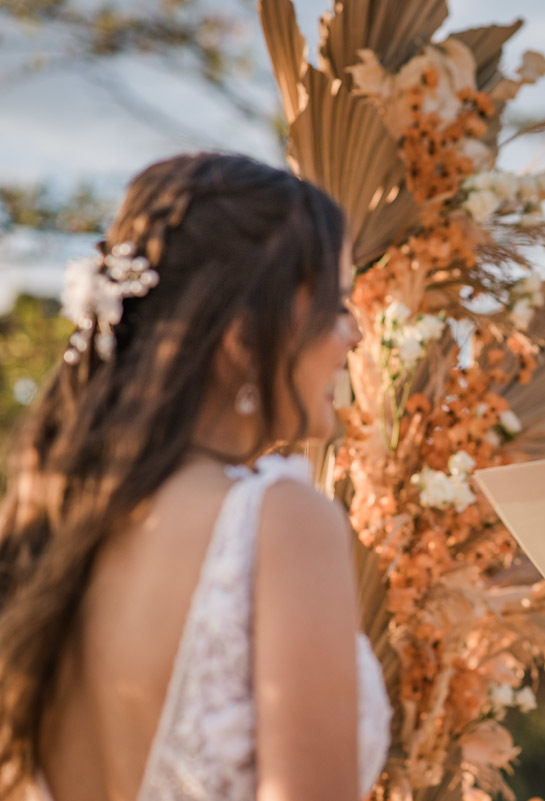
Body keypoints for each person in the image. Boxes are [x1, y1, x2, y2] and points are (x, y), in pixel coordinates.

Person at [0, 153, 392, 801]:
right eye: (334, 303)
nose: (353, 334)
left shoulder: (44, 523)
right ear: (242, 337)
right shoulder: (281, 522)